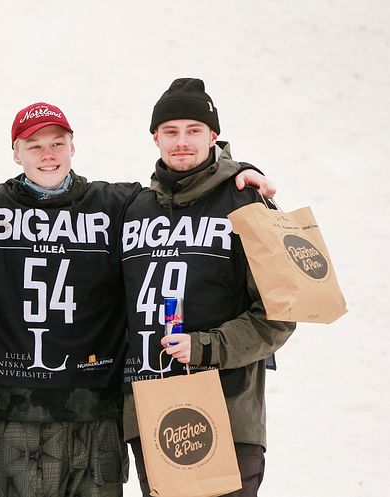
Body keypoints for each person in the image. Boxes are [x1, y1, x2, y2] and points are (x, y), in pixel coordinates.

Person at [0, 102, 275, 497]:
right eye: (34, 145)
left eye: (57, 143)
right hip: (16, 408)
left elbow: (188, 188)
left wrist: (237, 171)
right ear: (15, 152)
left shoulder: (116, 205)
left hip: (100, 406)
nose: (47, 155)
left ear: (73, 147)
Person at [120, 78, 296, 497]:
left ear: (213, 136)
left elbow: (281, 313)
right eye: (171, 131)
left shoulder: (247, 203)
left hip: (228, 414)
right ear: (155, 137)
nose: (182, 142)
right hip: (153, 414)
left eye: (194, 130)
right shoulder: (133, 209)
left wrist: (206, 346)